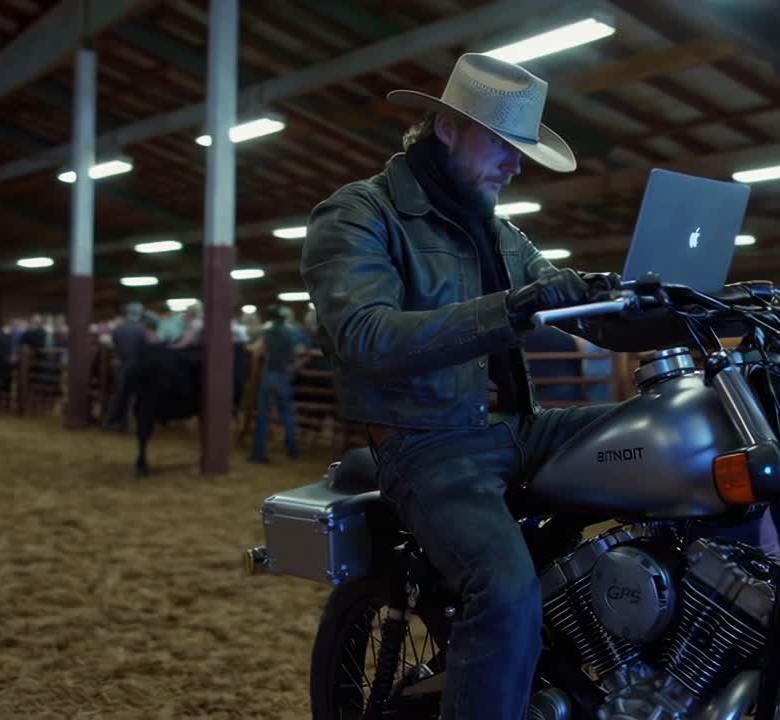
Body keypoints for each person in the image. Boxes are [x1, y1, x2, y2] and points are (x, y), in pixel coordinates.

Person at [301, 53, 638, 719]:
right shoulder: (359, 214)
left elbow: (569, 303)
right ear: (448, 126)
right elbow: (366, 335)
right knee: (505, 590)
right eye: (504, 146)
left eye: (522, 151)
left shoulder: (501, 232)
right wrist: (513, 308)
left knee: (680, 437)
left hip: (521, 428)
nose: (517, 165)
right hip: (428, 442)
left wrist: (655, 302)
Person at [248, 304, 306, 463]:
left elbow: (257, 350)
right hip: (283, 374)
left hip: (269, 374)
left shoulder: (266, 332)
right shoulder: (291, 333)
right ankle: (292, 449)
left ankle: (259, 453)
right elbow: (300, 351)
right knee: (287, 414)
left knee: (263, 415)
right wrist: (294, 366)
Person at [103, 303, 149, 431]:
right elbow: (146, 348)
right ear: (139, 314)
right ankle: (125, 424)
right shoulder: (141, 329)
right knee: (132, 397)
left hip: (120, 365)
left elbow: (114, 345)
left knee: (119, 395)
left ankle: (109, 422)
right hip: (135, 367)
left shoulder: (118, 329)